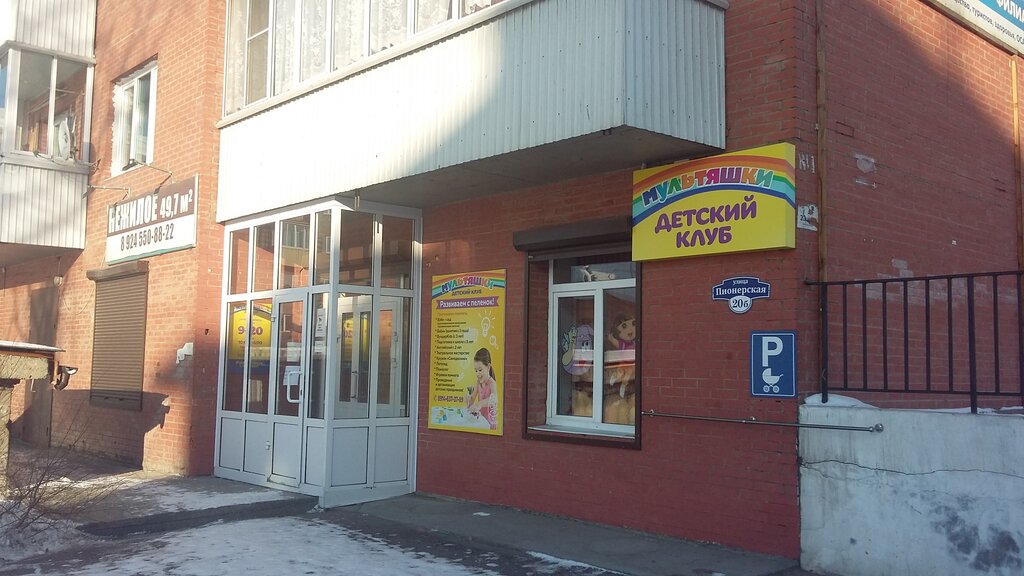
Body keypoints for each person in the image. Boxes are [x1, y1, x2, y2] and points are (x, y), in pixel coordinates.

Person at [466, 347, 498, 429]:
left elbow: (494, 400)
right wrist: (468, 399)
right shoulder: (478, 383)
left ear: (488, 367)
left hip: (490, 423)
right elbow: (471, 402)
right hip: (481, 421)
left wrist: (480, 403)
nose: (477, 374)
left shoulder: (492, 383)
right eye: (476, 370)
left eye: (480, 370)